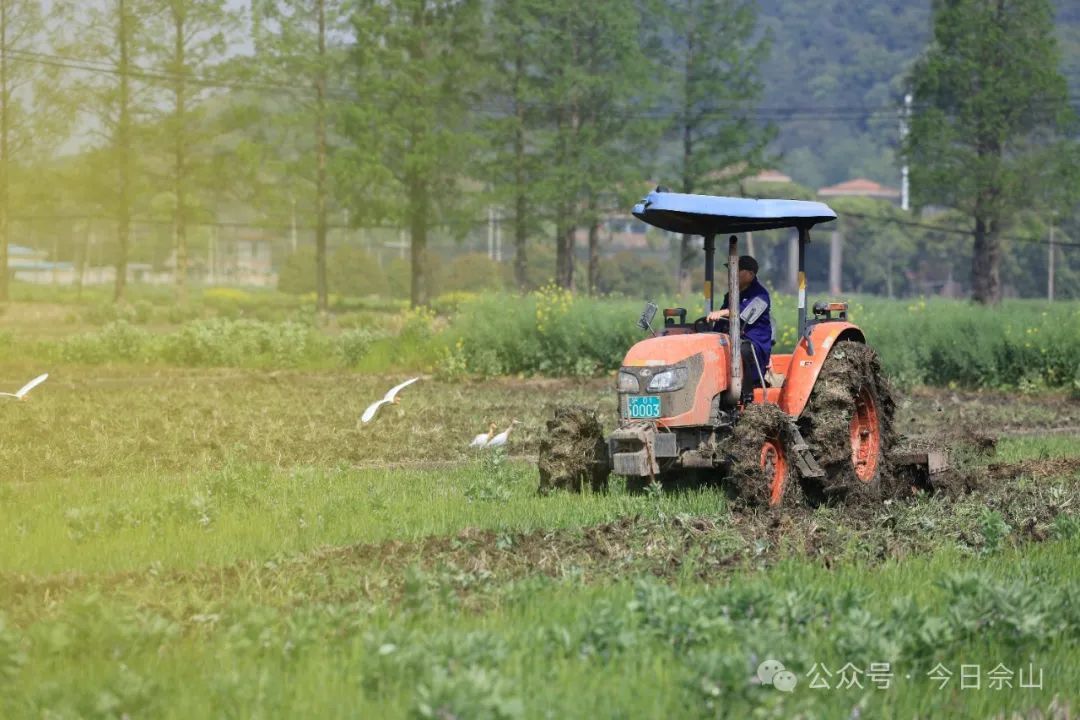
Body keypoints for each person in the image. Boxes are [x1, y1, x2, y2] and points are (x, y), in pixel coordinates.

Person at [706, 255, 772, 399]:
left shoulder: (761, 295)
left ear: (750, 274)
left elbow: (744, 313)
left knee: (742, 349)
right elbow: (722, 322)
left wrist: (722, 312)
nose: (731, 274)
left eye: (736, 270)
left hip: (754, 340)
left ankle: (747, 392)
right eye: (730, 270)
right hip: (733, 336)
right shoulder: (731, 294)